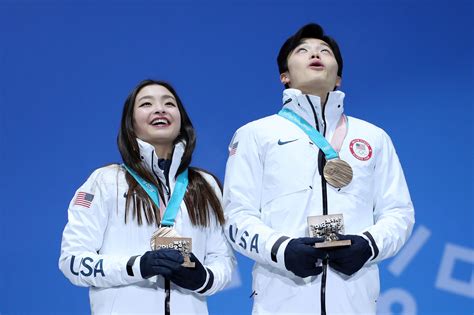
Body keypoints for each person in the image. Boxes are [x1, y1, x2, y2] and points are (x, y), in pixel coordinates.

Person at [223, 23, 415, 315]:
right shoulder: (255, 134)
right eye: (303, 50)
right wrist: (282, 250)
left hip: (355, 301)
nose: (316, 54)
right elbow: (236, 216)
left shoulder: (374, 137)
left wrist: (369, 245)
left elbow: (399, 213)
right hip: (282, 300)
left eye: (325, 51)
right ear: (284, 76)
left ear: (338, 78)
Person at [59, 79, 235, 314]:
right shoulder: (105, 181)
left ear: (181, 119)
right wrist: (137, 266)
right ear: (130, 124)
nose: (160, 109)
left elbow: (224, 260)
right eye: (146, 104)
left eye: (169, 103)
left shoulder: (205, 185)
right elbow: (72, 262)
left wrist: (203, 278)